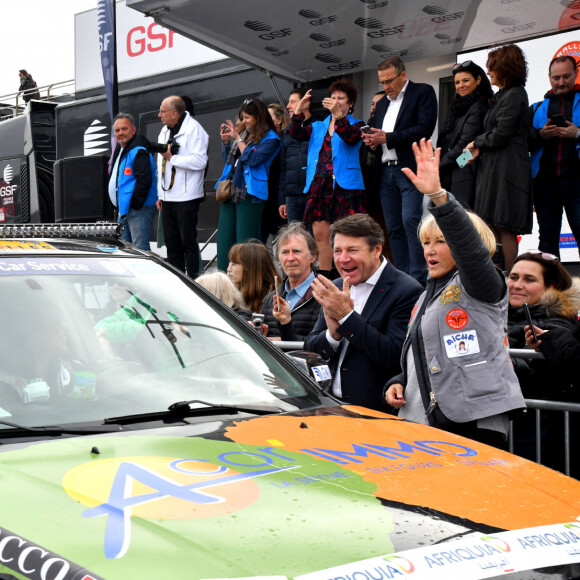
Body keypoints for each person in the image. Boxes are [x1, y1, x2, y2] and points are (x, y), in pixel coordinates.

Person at [384, 139, 525, 450]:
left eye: (440, 242)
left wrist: (438, 197)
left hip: (473, 422)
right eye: (425, 243)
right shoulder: (424, 296)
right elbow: (425, 352)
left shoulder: (479, 281)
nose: (429, 251)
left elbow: (470, 251)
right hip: (424, 423)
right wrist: (400, 381)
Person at [304, 213, 423, 411]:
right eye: (337, 251)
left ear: (376, 250)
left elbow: (395, 356)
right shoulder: (335, 287)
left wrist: (346, 318)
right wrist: (332, 335)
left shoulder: (407, 290)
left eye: (352, 250)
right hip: (331, 407)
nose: (343, 259)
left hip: (378, 413)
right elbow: (311, 347)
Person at [363, 56, 438, 285]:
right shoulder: (384, 103)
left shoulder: (422, 92)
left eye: (389, 81)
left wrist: (388, 137)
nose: (386, 87)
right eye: (382, 83)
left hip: (409, 168)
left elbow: (424, 128)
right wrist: (374, 140)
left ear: (403, 75)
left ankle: (418, 277)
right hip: (386, 169)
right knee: (393, 227)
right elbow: (384, 135)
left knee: (411, 221)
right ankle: (402, 278)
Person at [507, 251, 580, 468]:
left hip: (536, 435)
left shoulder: (558, 325)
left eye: (529, 279)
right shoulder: (496, 313)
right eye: (514, 277)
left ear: (551, 289)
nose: (517, 284)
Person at [465, 44, 533, 274]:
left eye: (492, 67)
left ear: (504, 68)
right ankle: (496, 273)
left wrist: (476, 143)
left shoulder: (515, 94)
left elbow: (502, 134)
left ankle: (510, 275)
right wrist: (475, 148)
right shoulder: (502, 95)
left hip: (508, 169)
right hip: (493, 167)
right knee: (491, 224)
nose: (489, 73)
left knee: (504, 224)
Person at [291, 79, 367, 272]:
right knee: (320, 237)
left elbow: (350, 137)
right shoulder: (318, 125)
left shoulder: (357, 124)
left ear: (350, 104)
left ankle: (349, 279)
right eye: (332, 97)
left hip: (346, 186)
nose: (335, 100)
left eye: (341, 98)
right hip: (319, 184)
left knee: (348, 236)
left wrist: (337, 115)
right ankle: (325, 279)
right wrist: (298, 111)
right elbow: (295, 133)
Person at [216, 98, 282, 271]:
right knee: (224, 240)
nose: (243, 121)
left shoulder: (272, 139)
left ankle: (247, 285)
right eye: (242, 118)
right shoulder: (245, 135)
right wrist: (226, 143)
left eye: (246, 117)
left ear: (259, 117)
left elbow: (253, 160)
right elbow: (233, 161)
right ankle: (225, 283)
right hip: (232, 190)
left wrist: (238, 138)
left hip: (250, 194)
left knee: (245, 243)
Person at [529, 55, 580, 259]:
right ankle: (549, 290)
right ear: (549, 77)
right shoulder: (536, 108)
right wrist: (541, 135)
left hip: (577, 182)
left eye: (566, 76)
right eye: (556, 77)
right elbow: (523, 141)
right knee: (547, 241)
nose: (561, 82)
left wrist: (577, 133)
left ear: (575, 74)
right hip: (545, 183)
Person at [156, 95, 209, 278]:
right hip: (168, 197)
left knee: (188, 242)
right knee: (171, 243)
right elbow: (159, 166)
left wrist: (174, 159)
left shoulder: (194, 129)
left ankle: (195, 280)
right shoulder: (163, 131)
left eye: (162, 111)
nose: (159, 115)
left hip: (187, 197)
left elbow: (200, 161)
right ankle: (177, 281)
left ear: (174, 112)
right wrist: (160, 194)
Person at [437, 61, 493, 209]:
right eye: (457, 82)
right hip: (454, 171)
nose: (461, 85)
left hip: (467, 172)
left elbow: (465, 146)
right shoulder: (459, 105)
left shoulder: (479, 106)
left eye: (466, 80)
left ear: (478, 80)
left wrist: (440, 165)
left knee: (463, 220)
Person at [260, 222, 321, 341]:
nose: (290, 258)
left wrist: (281, 342)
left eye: (297, 251)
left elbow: (324, 345)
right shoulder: (269, 299)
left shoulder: (325, 296)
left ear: (313, 256)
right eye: (285, 252)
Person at [108, 113, 157, 251]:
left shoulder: (138, 150)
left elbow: (144, 179)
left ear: (133, 130)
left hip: (138, 209)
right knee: (126, 251)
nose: (120, 133)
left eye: (124, 129)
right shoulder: (124, 149)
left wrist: (135, 204)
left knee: (140, 249)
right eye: (117, 130)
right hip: (125, 210)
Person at [278, 88, 315, 225]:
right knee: (294, 237)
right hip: (292, 196)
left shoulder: (319, 126)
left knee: (314, 239)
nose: (288, 106)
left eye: (293, 102)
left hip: (313, 193)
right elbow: (283, 168)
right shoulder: (287, 132)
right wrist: (282, 200)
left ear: (306, 103)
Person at [262, 103, 289, 242]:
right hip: (267, 192)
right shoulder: (264, 139)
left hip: (278, 192)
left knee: (279, 236)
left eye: (269, 116)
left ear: (279, 119)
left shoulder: (284, 139)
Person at [226, 240, 279, 313]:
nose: (229, 269)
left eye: (234, 264)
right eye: (230, 263)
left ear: (250, 268)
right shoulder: (234, 294)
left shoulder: (274, 301)